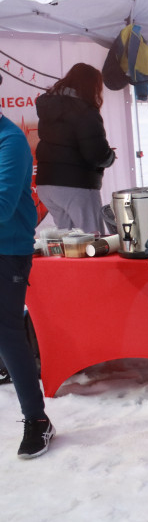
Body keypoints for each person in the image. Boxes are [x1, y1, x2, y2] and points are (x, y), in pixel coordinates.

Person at [1, 88, 54, 458]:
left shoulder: (11, 140)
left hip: (8, 250)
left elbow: (3, 206)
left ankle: (37, 419)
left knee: (6, 331)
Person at [34, 63, 115, 233]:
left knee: (69, 244)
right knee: (92, 242)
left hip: (46, 184)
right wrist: (110, 156)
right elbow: (96, 154)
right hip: (77, 186)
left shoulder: (49, 107)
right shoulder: (85, 111)